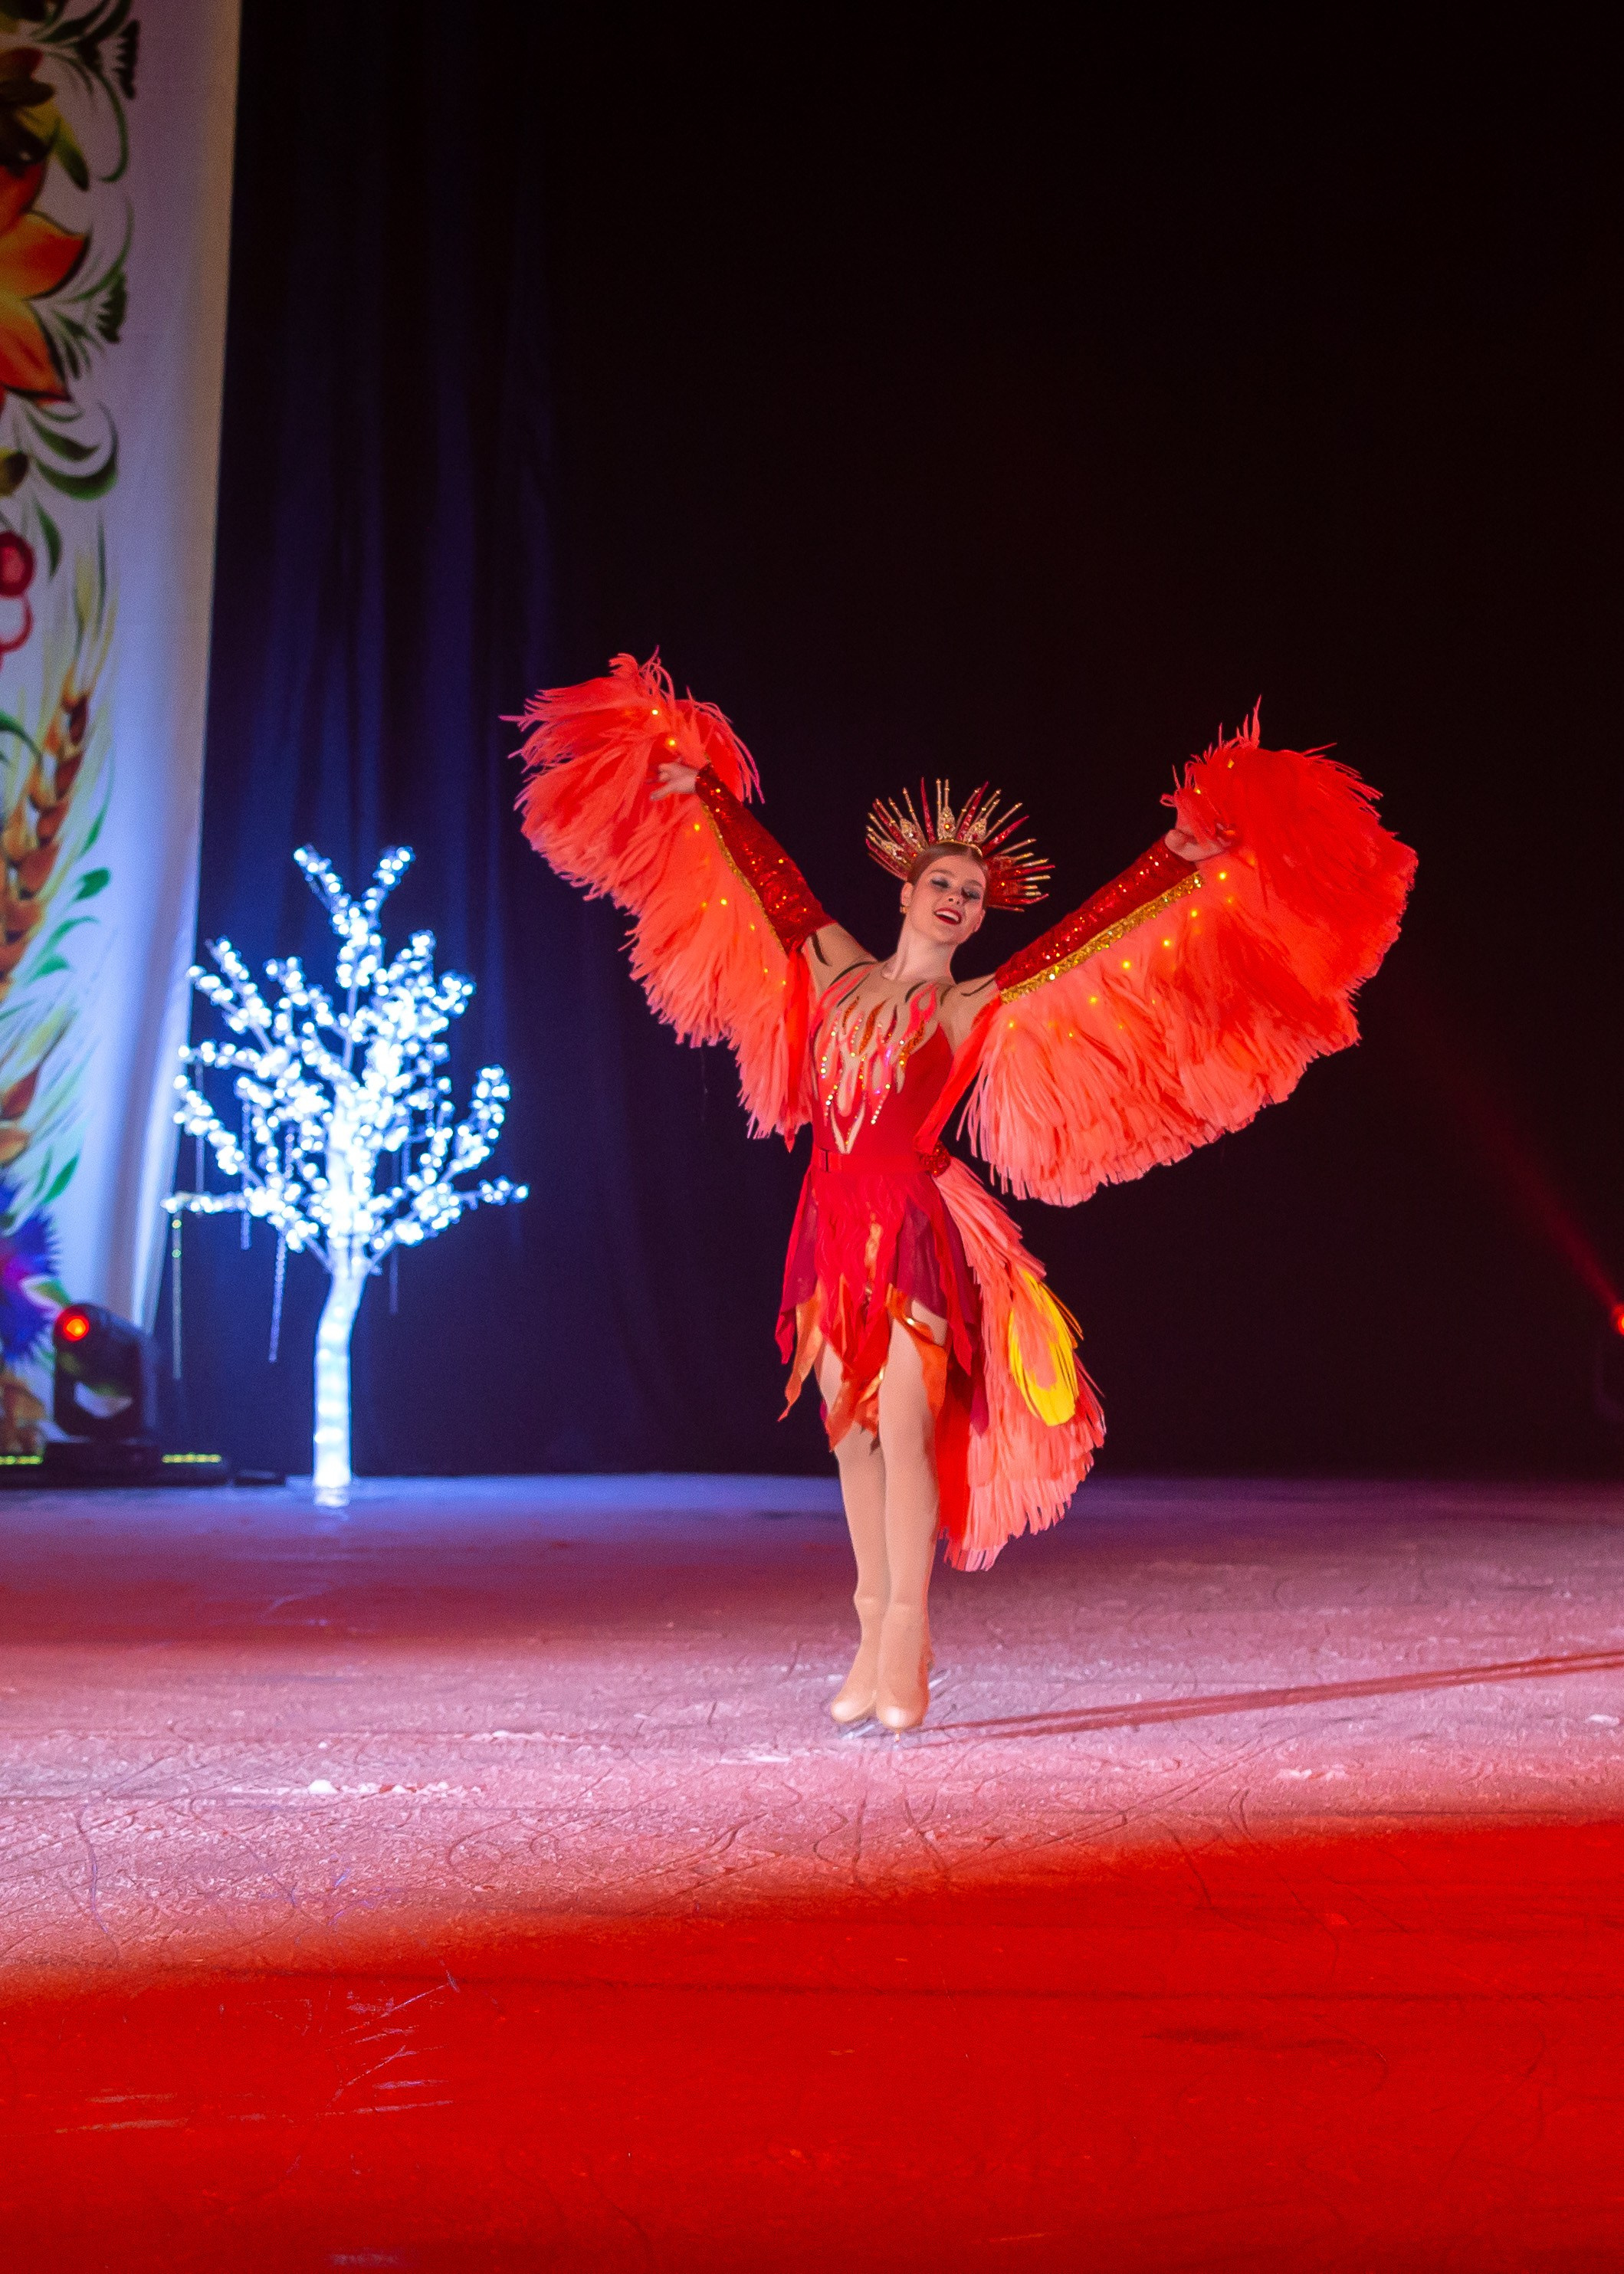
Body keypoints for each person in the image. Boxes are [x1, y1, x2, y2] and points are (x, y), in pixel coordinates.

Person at [518, 654, 1415, 1731]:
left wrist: (1176, 857)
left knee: (903, 1424)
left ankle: (908, 1639)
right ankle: (869, 1626)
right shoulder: (835, 967)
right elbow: (773, 881)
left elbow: (1087, 934)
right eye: (942, 886)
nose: (955, 901)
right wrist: (704, 790)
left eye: (972, 896)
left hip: (911, 1223)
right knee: (847, 1434)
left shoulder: (976, 1006)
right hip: (831, 1219)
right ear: (905, 893)